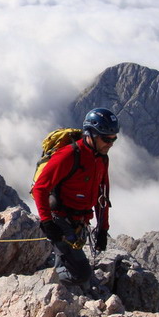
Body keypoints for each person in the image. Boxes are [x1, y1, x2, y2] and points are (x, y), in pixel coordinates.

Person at [32, 108, 118, 287]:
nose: (110, 144)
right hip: (60, 220)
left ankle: (57, 278)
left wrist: (103, 229)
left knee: (72, 264)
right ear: (91, 134)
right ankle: (44, 284)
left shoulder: (102, 158)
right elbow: (40, 188)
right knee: (81, 274)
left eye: (114, 139)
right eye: (106, 139)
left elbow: (102, 195)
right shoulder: (69, 155)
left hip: (79, 222)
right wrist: (47, 223)